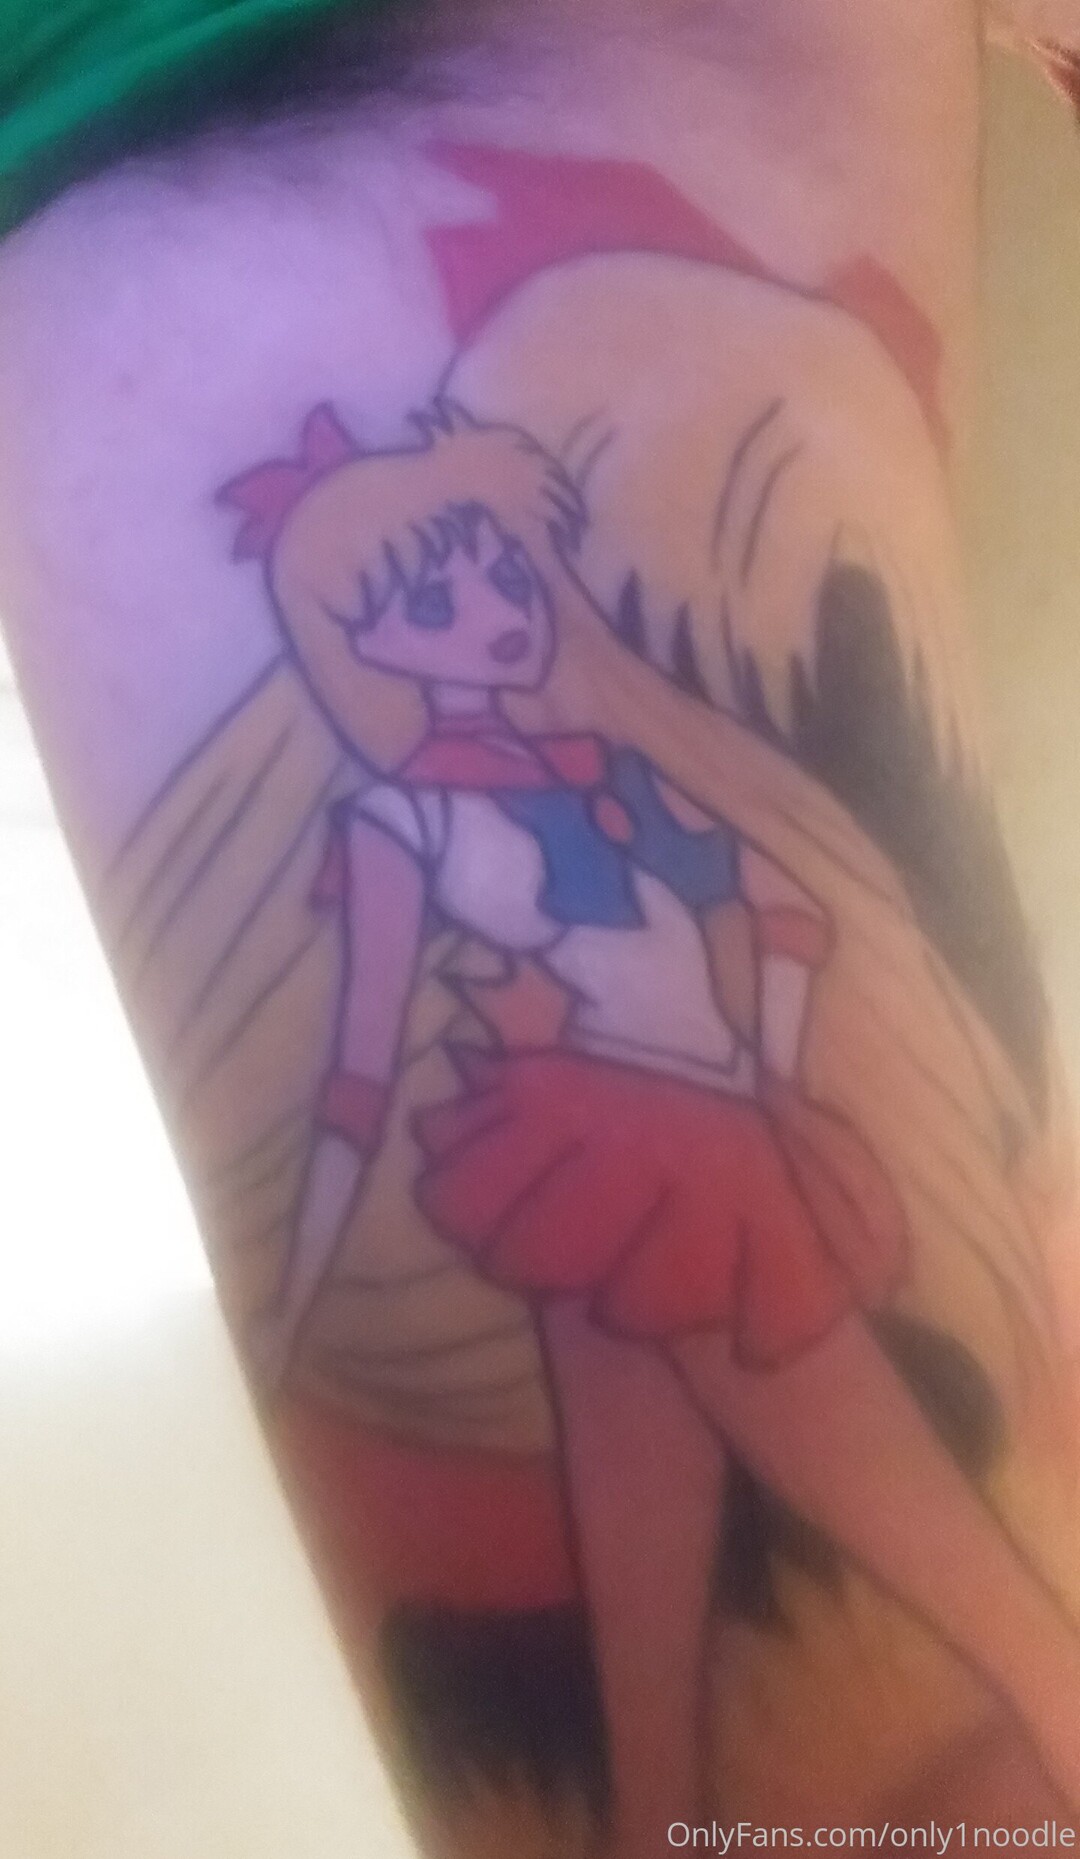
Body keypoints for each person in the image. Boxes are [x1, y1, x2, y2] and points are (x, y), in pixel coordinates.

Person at [2, 2, 1080, 1854]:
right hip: (591, 1158)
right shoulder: (412, 821)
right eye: (422, 598)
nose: (483, 610)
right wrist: (329, 1252)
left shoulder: (625, 759)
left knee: (886, 1521)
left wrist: (766, 1058)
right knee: (671, 1556)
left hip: (698, 1151)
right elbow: (359, 1064)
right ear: (363, 645)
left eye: (491, 566)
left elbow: (765, 913)